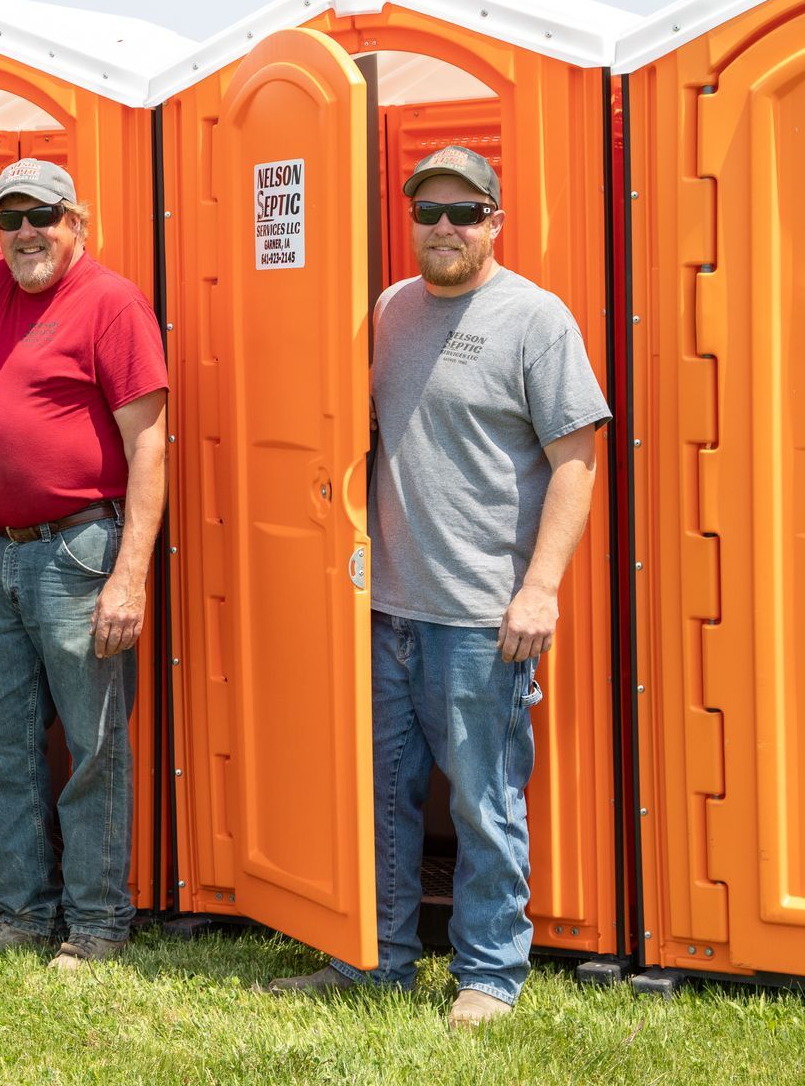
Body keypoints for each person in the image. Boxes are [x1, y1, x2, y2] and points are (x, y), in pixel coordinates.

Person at [271, 145, 609, 1027]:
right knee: (384, 797)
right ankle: (378, 961)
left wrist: (540, 589)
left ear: (497, 221)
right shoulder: (389, 311)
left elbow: (577, 461)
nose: (445, 228)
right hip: (385, 608)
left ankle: (490, 973)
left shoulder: (536, 319)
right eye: (429, 213)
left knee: (484, 801)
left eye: (465, 212)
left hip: (482, 617)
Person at [0, 148, 168, 972]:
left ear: (78, 222)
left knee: (94, 745)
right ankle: (24, 919)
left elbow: (151, 449)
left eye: (43, 216)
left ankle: (97, 927)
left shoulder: (111, 302)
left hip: (80, 551)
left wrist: (129, 575)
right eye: (10, 217)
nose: (26, 232)